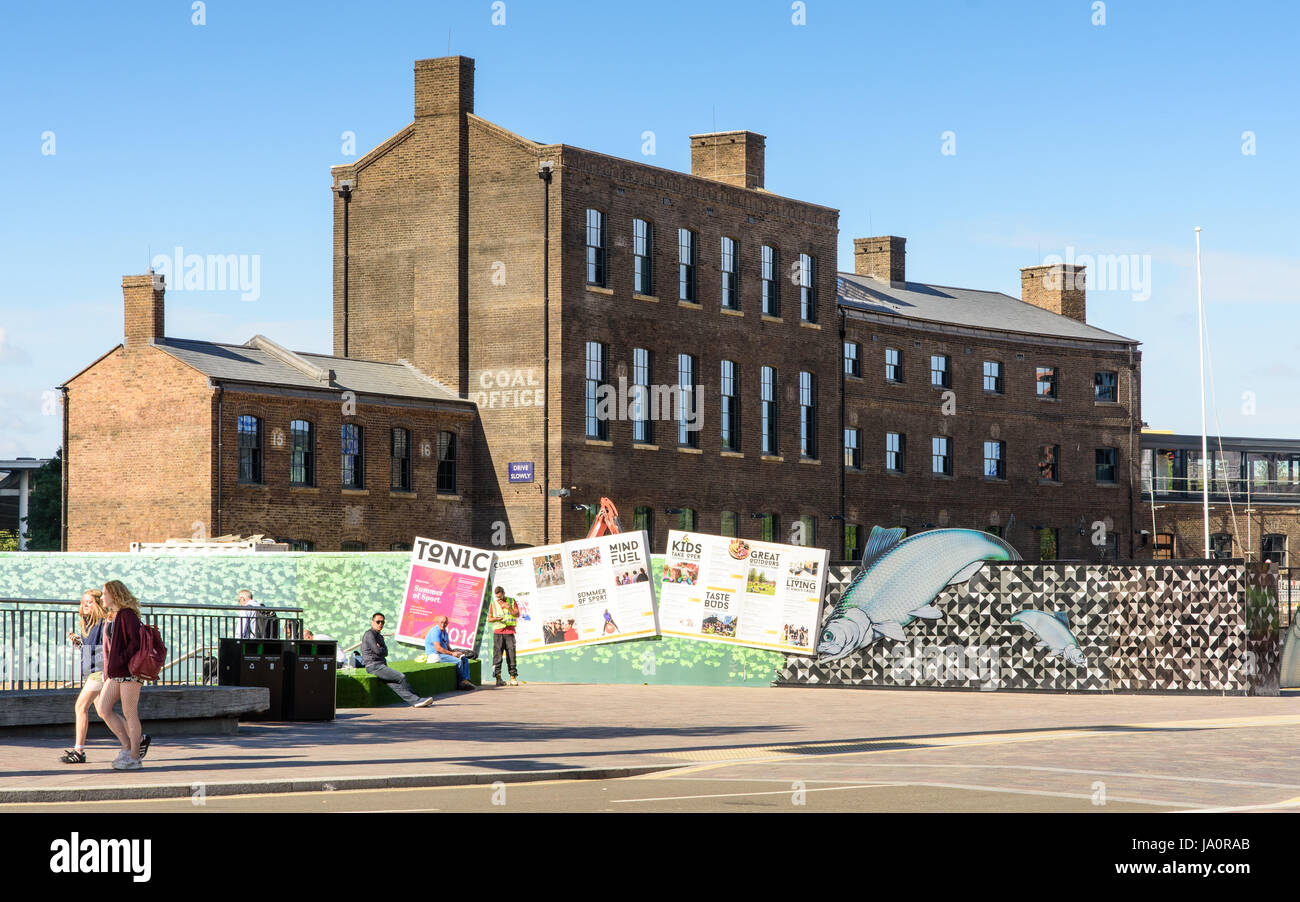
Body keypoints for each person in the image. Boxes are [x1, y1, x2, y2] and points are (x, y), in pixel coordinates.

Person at [95, 580, 152, 770]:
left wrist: (119, 660)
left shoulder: (127, 615)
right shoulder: (116, 615)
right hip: (117, 672)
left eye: (104, 593)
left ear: (114, 594)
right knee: (103, 708)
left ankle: (135, 756)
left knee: (130, 712)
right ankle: (127, 747)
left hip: (129, 672)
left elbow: (135, 644)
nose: (102, 597)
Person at [60, 589, 109, 764]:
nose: (85, 605)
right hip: (93, 671)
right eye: (83, 602)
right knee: (104, 711)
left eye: (89, 602)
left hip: (99, 672)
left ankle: (78, 751)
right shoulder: (88, 624)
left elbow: (104, 650)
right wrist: (79, 643)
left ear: (98, 604)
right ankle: (138, 739)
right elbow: (89, 651)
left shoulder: (103, 623)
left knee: (80, 706)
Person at [362, 613, 433, 707]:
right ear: (372, 622)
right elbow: (377, 651)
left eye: (382, 622)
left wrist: (381, 648)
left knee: (396, 685)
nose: (380, 624)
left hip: (381, 665)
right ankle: (417, 700)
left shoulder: (379, 636)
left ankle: (416, 701)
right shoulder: (369, 634)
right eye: (378, 622)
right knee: (401, 677)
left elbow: (385, 652)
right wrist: (381, 649)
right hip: (374, 666)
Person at [424, 616, 475, 691]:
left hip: (444, 654)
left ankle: (466, 680)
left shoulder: (445, 632)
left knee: (464, 659)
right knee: (458, 661)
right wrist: (451, 654)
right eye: (441, 622)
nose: (443, 624)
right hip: (435, 655)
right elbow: (438, 648)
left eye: (445, 623)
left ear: (447, 623)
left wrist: (455, 653)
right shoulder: (435, 631)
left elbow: (447, 646)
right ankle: (461, 683)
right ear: (437, 622)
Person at [487, 586, 520, 686]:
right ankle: (498, 678)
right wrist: (496, 619)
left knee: (511, 656)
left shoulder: (511, 601)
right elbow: (489, 619)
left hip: (509, 632)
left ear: (504, 593)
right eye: (497, 597)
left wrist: (508, 607)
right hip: (498, 633)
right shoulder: (494, 603)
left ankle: (513, 678)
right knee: (497, 656)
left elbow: (517, 614)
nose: (499, 599)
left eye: (500, 597)